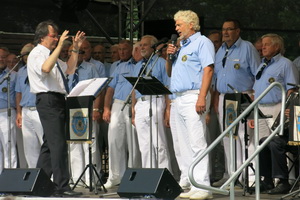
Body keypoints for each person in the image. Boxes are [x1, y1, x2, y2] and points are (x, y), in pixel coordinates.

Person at [27, 20, 85, 196]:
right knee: (58, 144)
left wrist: (74, 48)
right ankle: (62, 186)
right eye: (54, 36)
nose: (57, 38)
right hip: (48, 99)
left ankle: (38, 183)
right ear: (42, 37)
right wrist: (60, 47)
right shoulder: (38, 53)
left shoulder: (51, 54)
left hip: (58, 100)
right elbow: (45, 68)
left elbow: (69, 69)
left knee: (49, 145)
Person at [166, 10, 214, 199]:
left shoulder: (203, 42)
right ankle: (189, 181)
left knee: (196, 141)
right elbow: (169, 73)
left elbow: (208, 70)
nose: (176, 28)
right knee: (181, 143)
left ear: (191, 25)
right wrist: (169, 56)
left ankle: (203, 186)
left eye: (179, 25)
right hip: (177, 97)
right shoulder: (181, 46)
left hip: (194, 95)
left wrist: (202, 97)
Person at [212, 19, 260, 187]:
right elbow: (216, 77)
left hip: (243, 97)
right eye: (224, 29)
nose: (225, 32)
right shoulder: (220, 51)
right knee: (228, 138)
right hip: (225, 98)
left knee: (245, 138)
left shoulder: (247, 48)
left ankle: (252, 178)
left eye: (230, 29)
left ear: (238, 31)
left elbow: (258, 75)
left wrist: (255, 99)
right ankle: (235, 175)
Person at [248, 33, 299, 194]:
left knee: (277, 143)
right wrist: (252, 113)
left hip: (279, 107)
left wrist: (287, 111)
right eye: (262, 44)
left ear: (277, 47)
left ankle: (285, 180)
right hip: (261, 108)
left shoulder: (286, 64)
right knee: (262, 143)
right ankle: (267, 180)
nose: (262, 47)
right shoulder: (262, 64)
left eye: (267, 44)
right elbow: (256, 91)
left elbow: (292, 90)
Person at [103, 40, 141, 188]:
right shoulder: (118, 66)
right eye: (120, 50)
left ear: (132, 49)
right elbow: (110, 89)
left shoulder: (139, 65)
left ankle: (133, 176)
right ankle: (114, 176)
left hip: (134, 105)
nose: (122, 52)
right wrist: (106, 108)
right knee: (114, 141)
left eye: (125, 49)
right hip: (118, 104)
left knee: (133, 143)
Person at [132, 35, 172, 171]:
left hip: (156, 101)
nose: (141, 47)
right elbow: (134, 89)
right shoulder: (138, 65)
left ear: (153, 47)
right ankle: (148, 174)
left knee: (159, 142)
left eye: (145, 45)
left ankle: (164, 174)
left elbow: (167, 87)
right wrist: (133, 109)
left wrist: (168, 110)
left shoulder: (161, 62)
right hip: (140, 104)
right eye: (140, 45)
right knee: (144, 144)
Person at [67, 44, 102, 186]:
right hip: (72, 109)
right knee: (74, 144)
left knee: (90, 144)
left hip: (88, 108)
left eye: (81, 52)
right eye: (74, 52)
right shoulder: (66, 68)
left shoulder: (90, 67)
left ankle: (92, 178)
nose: (78, 54)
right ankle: (78, 179)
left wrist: (96, 109)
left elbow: (99, 89)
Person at [15, 43, 43, 168]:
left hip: (39, 109)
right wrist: (19, 113)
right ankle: (34, 174)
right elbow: (18, 94)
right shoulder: (21, 71)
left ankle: (50, 175)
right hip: (26, 110)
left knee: (44, 142)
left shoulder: (39, 68)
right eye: (24, 55)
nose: (25, 58)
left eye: (28, 54)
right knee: (29, 145)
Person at [0, 47, 17, 169]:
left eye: (3, 57)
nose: (1, 59)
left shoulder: (13, 75)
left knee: (8, 146)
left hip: (7, 113)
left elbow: (18, 96)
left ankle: (10, 179)